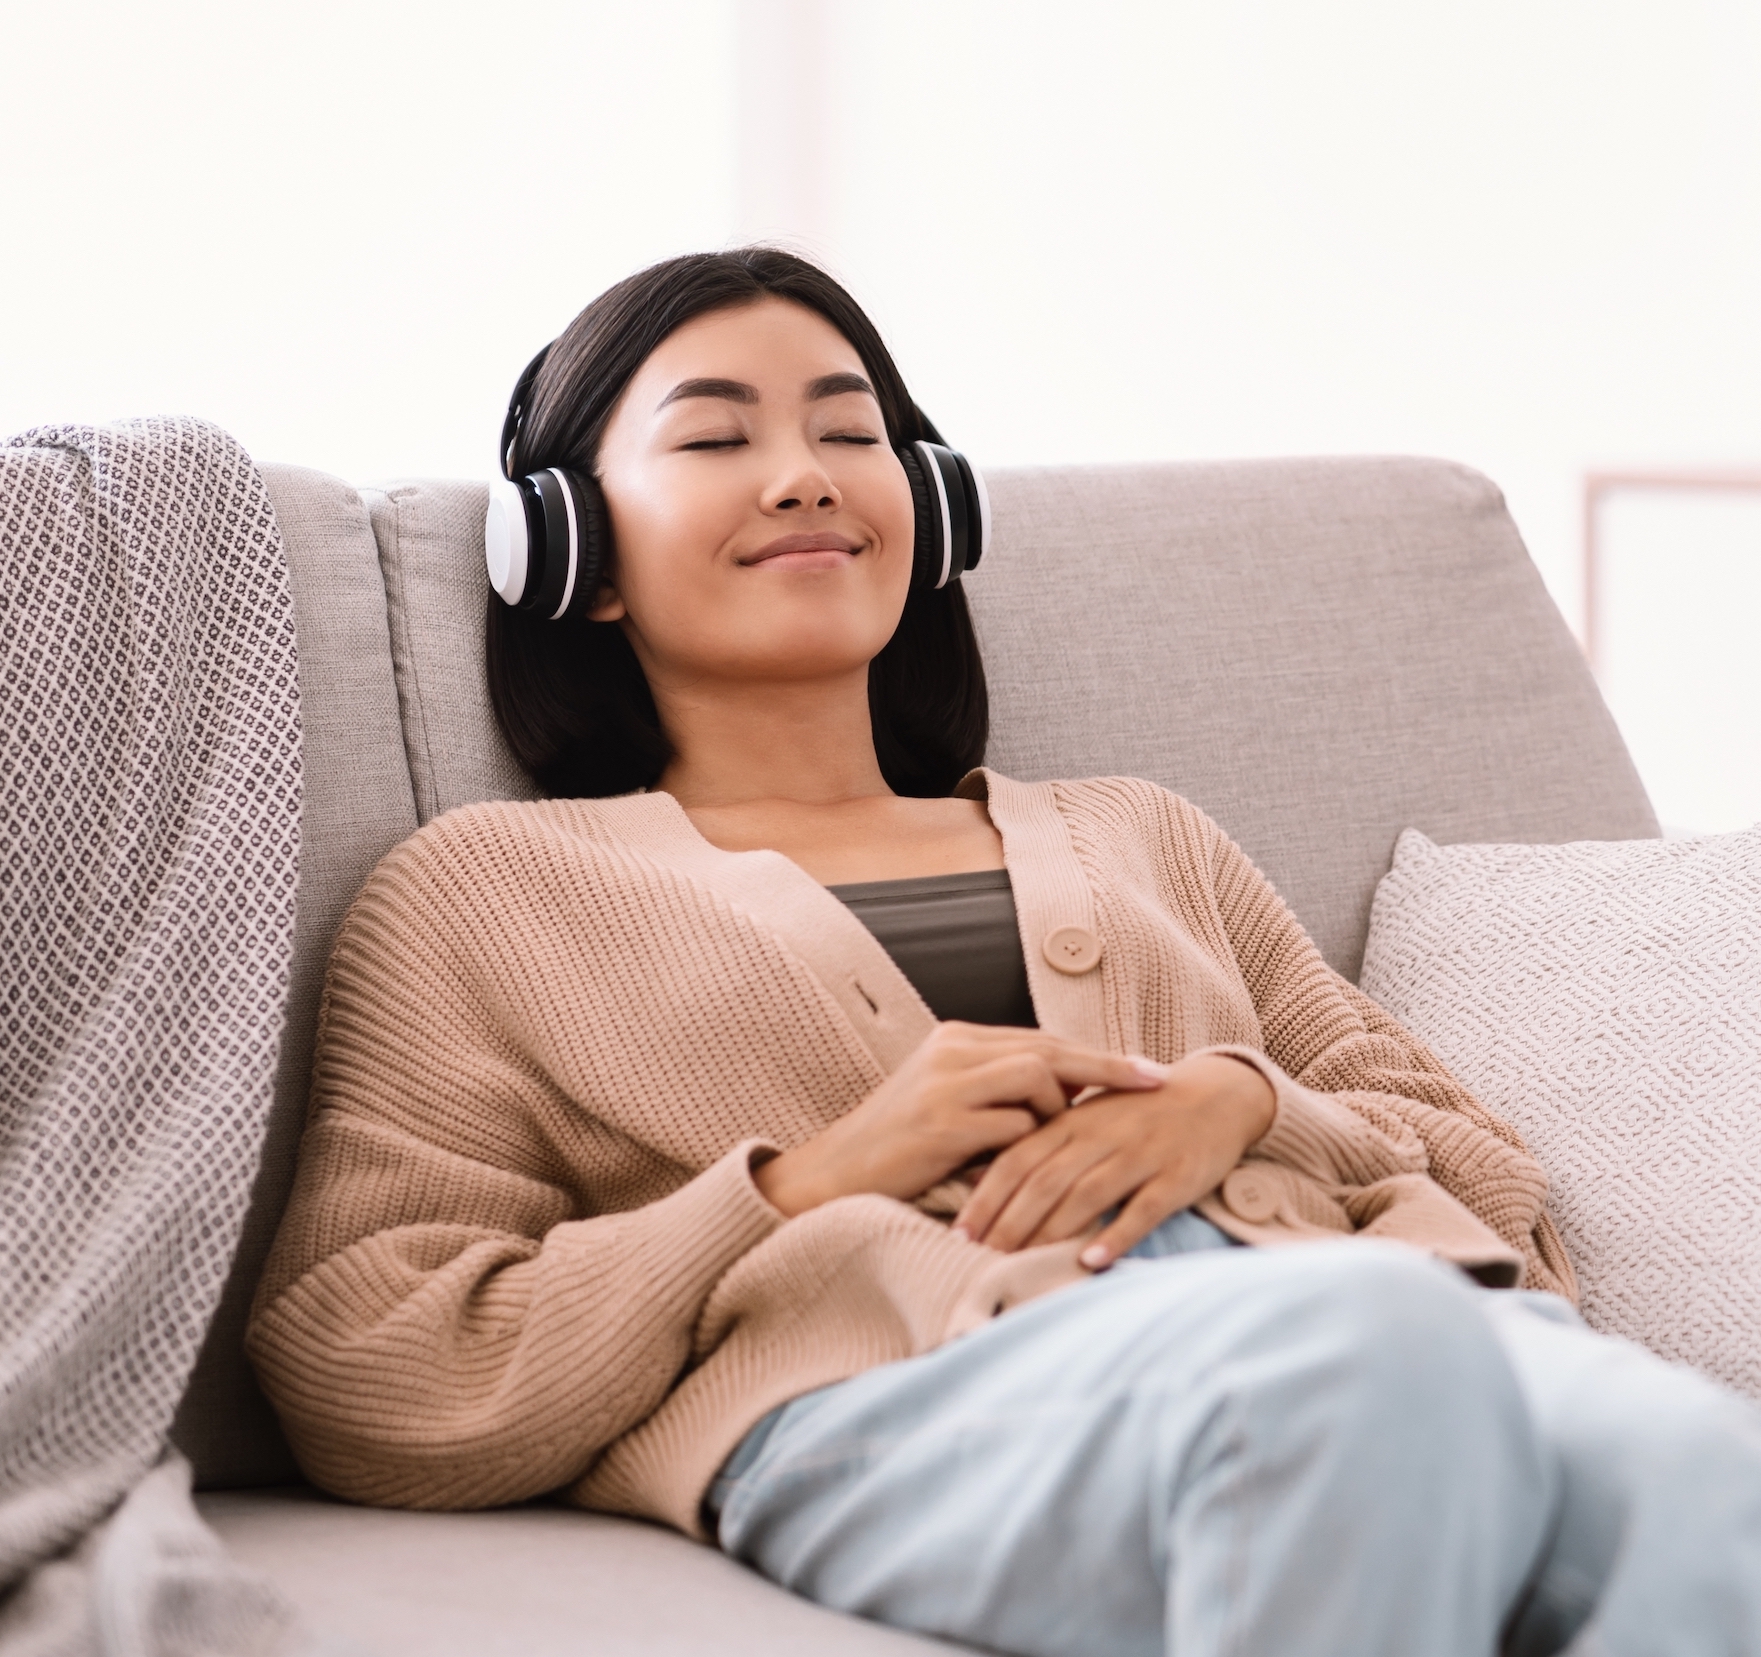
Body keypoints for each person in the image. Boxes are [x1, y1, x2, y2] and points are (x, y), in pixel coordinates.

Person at [247, 248, 1761, 1657]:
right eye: (714, 438)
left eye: (850, 433)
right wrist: (807, 1182)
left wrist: (1240, 1103)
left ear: (928, 506)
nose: (803, 475)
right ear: (574, 545)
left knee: (1703, 1468)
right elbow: (368, 1352)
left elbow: (1478, 1168)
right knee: (1364, 1355)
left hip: (1381, 1314)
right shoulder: (484, 893)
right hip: (912, 1390)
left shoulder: (1143, 833)